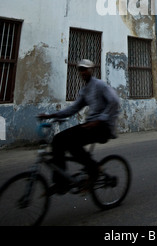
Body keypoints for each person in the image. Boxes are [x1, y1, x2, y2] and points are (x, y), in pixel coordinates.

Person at [39, 59, 120, 193]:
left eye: (85, 69)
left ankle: (93, 169)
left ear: (91, 70)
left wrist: (100, 120)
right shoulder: (85, 90)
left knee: (71, 143)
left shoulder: (100, 85)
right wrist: (52, 115)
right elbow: (73, 108)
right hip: (91, 125)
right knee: (58, 140)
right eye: (80, 69)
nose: (83, 72)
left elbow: (114, 102)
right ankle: (61, 182)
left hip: (103, 127)